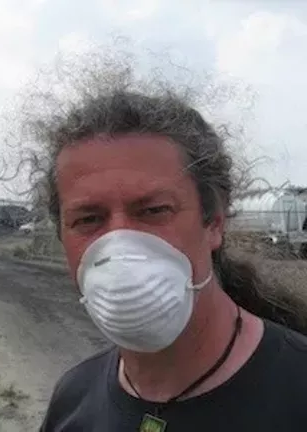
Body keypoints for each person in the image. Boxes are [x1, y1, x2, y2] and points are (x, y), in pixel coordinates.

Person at [35, 89, 307, 431]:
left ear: (214, 223)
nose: (119, 243)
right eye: (88, 219)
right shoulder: (72, 400)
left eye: (154, 210)